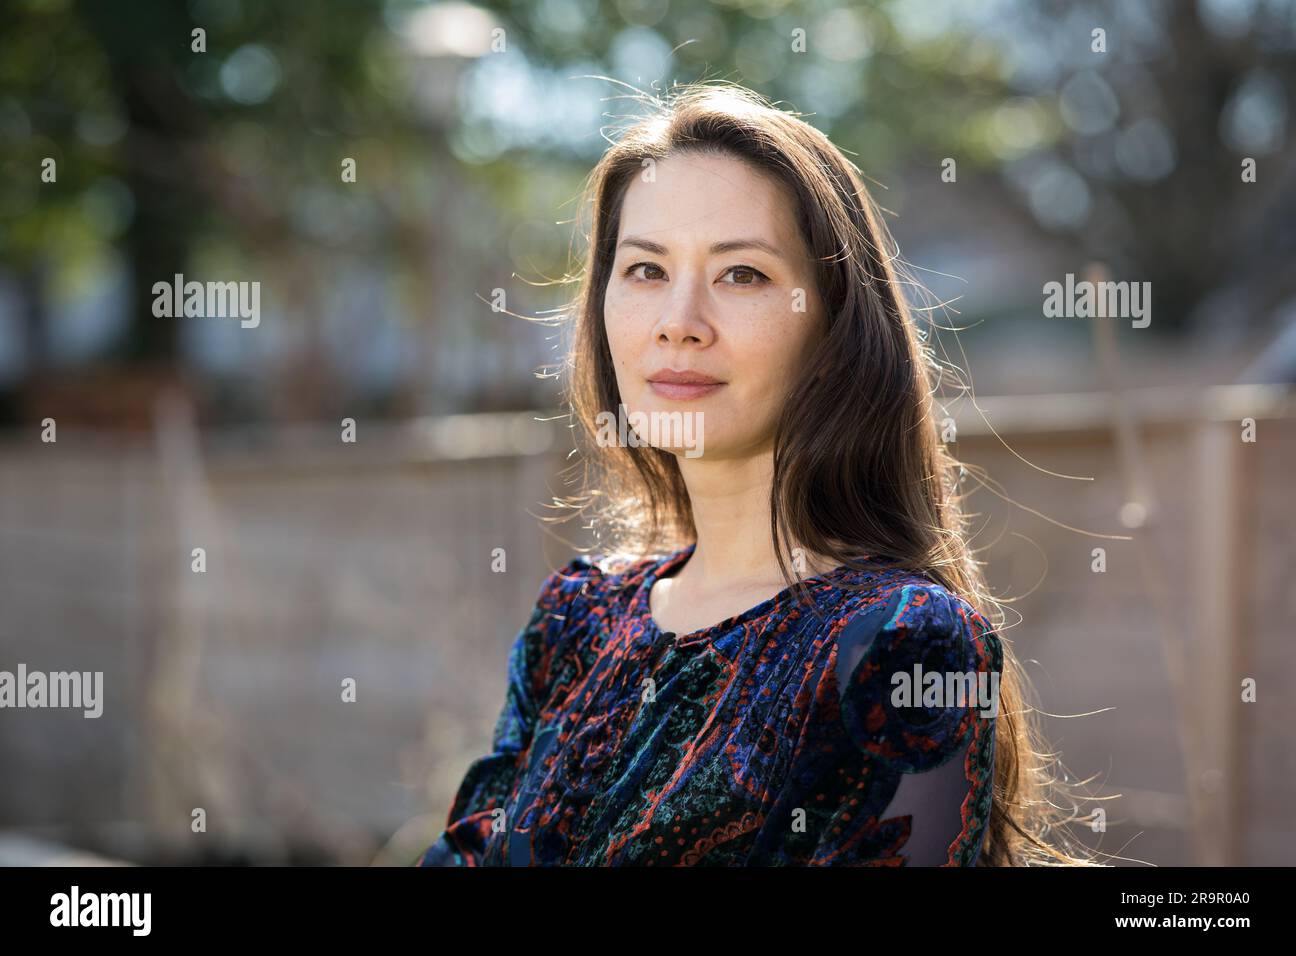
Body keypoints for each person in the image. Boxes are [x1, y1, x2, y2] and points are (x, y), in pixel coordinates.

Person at [417, 82, 1092, 866]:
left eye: (742, 274)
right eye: (644, 270)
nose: (679, 319)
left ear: (834, 327)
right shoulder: (574, 618)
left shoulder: (902, 643)